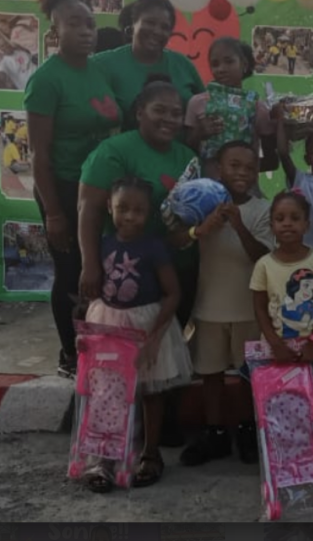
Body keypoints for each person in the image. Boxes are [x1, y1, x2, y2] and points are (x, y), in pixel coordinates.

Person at [78, 76, 200, 448]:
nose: (170, 119)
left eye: (177, 113)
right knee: (119, 361)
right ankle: (117, 435)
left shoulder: (186, 156)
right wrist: (90, 264)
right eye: (160, 110)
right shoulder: (114, 151)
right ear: (139, 112)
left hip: (174, 268)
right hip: (124, 277)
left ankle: (156, 435)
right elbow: (89, 208)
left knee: (162, 356)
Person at [25, 0, 121, 379]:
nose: (85, 31)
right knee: (71, 272)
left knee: (100, 268)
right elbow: (38, 155)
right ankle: (70, 353)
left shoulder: (99, 70)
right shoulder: (46, 80)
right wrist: (54, 213)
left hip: (102, 189)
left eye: (90, 24)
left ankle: (100, 345)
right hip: (64, 189)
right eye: (74, 24)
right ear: (55, 31)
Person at [82, 176, 193, 491]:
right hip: (110, 323)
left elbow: (173, 293)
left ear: (149, 213)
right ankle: (105, 457)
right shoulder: (103, 243)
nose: (130, 216)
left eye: (139, 210)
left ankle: (150, 454)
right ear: (109, 207)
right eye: (123, 208)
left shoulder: (154, 247)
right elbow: (94, 292)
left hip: (147, 325)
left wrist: (155, 337)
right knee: (108, 391)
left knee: (151, 391)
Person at [180, 142, 274, 467]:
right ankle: (215, 432)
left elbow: (263, 256)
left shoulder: (263, 208)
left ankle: (248, 430)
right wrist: (200, 229)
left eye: (249, 168)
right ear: (218, 169)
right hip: (209, 307)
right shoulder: (200, 204)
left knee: (249, 374)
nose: (242, 173)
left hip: (248, 309)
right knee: (210, 373)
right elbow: (176, 238)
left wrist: (238, 225)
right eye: (234, 165)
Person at [250, 191, 313, 368]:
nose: (287, 223)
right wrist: (275, 343)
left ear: (306, 225)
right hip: (275, 348)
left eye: (295, 218)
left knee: (312, 385)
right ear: (272, 226)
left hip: (311, 347)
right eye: (280, 219)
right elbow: (259, 308)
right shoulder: (264, 264)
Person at [92, 0, 204, 128]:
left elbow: (206, 107)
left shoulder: (183, 65)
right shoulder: (103, 64)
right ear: (133, 23)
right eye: (150, 23)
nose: (157, 31)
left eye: (165, 27)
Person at [184, 37, 278, 178]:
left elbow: (272, 162)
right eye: (215, 64)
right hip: (205, 187)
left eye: (229, 61)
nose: (221, 69)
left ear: (244, 64)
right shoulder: (198, 103)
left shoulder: (257, 108)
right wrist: (199, 133)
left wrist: (242, 170)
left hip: (244, 189)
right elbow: (184, 152)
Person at [277, 125, 313, 249]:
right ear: (307, 159)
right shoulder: (300, 180)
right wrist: (280, 121)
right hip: (308, 248)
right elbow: (283, 153)